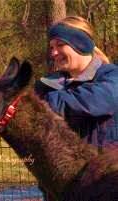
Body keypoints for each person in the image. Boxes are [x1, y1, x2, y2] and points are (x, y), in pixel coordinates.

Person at [35, 16, 118, 200]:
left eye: (60, 45)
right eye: (51, 47)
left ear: (80, 43)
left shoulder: (112, 77)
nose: (54, 53)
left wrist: (43, 103)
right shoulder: (48, 85)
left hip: (107, 187)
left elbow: (97, 102)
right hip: (62, 190)